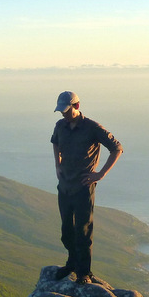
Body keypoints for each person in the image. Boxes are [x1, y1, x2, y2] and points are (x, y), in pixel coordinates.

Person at [51, 91, 123, 284]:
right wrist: (57, 164)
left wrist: (101, 174)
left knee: (83, 231)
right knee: (67, 230)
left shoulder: (92, 128)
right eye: (61, 111)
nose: (63, 114)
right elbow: (55, 142)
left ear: (77, 106)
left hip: (83, 188)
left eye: (66, 110)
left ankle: (84, 272)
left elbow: (117, 148)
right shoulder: (60, 126)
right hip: (65, 186)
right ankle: (72, 263)